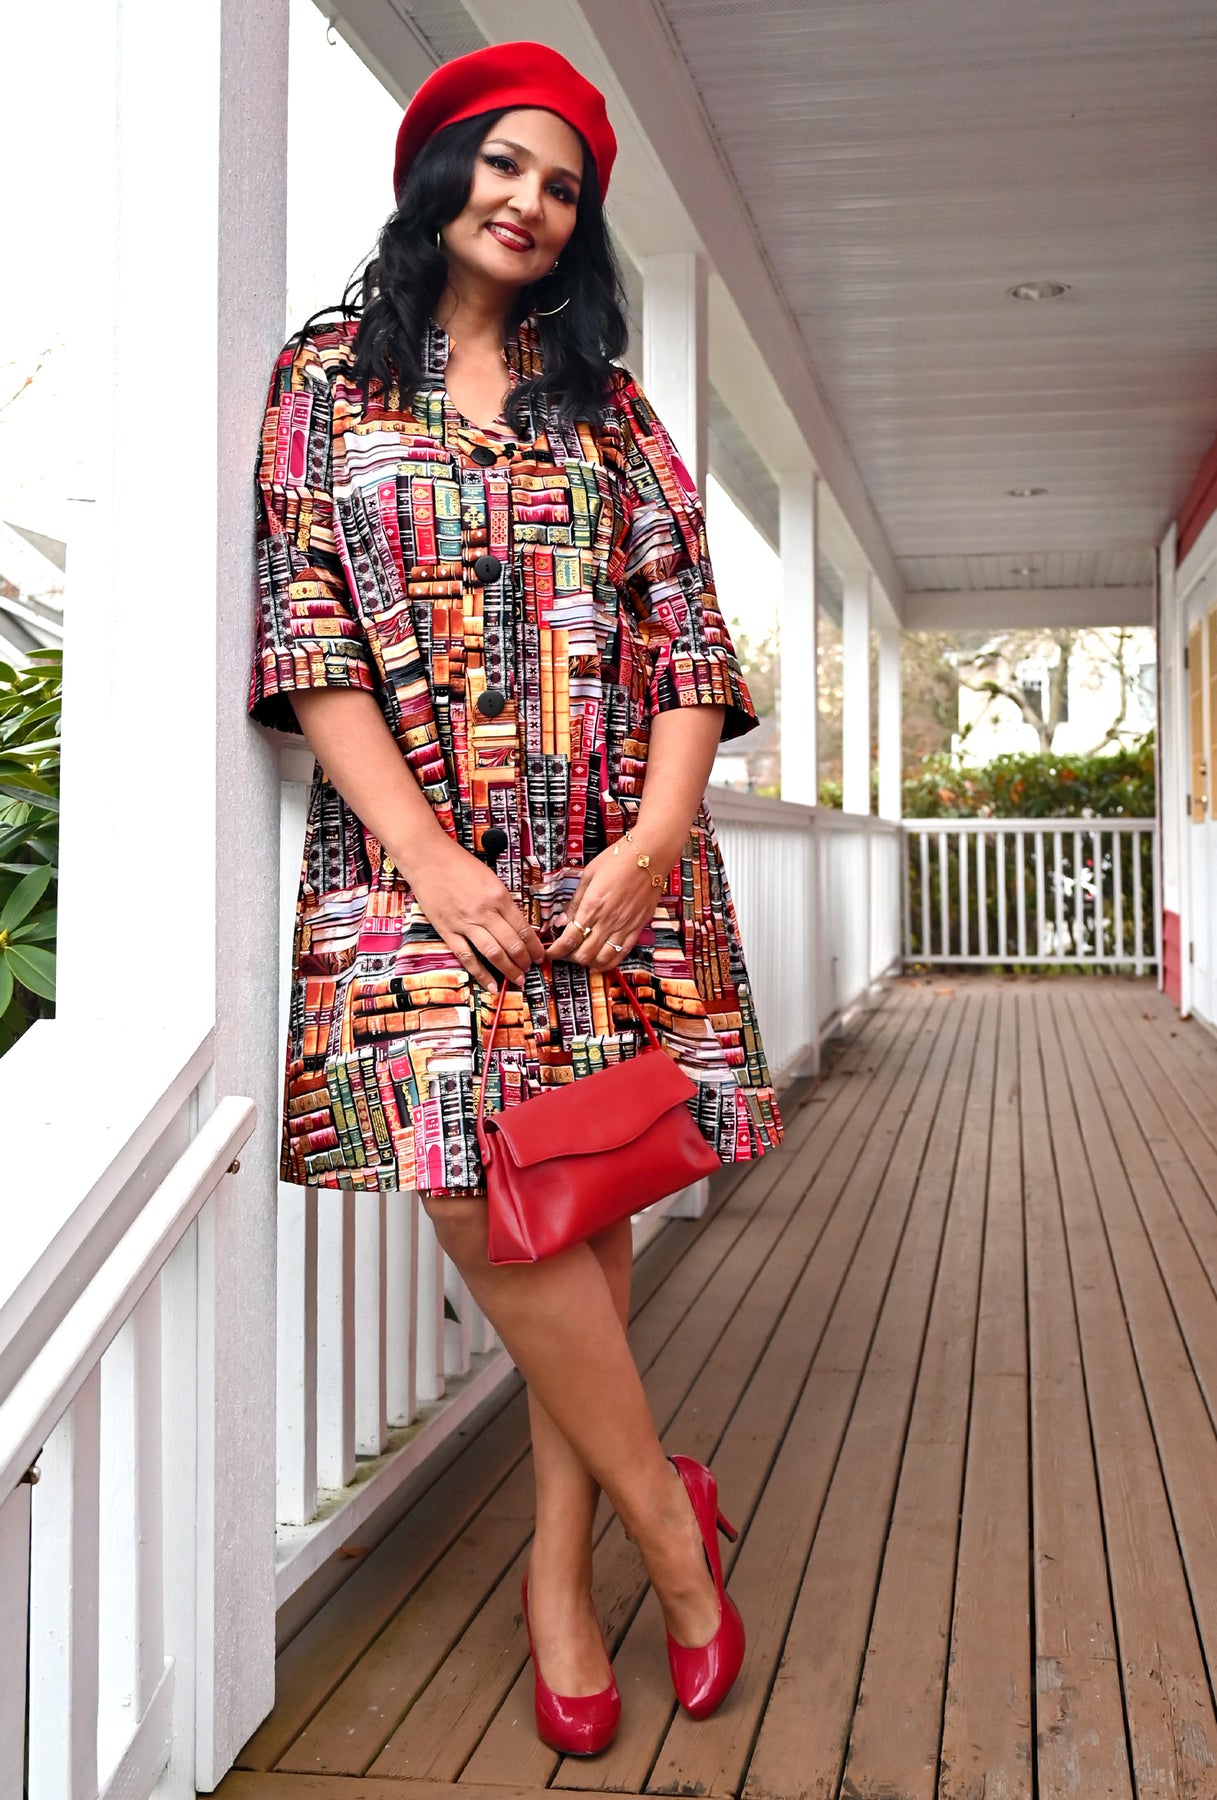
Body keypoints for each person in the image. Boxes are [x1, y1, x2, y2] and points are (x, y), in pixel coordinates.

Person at [247, 39, 784, 1754]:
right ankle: (670, 1538)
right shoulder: (327, 380)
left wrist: (652, 844)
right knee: (484, 1199)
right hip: (412, 865)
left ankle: (558, 1578)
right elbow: (310, 632)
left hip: (612, 863)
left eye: (563, 186)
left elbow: (689, 640)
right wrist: (429, 857)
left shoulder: (607, 406)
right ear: (439, 168)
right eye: (505, 164)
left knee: (584, 1194)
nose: (531, 202)